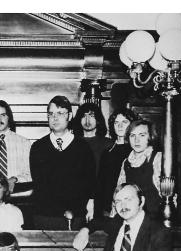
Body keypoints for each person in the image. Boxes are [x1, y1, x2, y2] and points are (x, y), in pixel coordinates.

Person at [29, 95, 96, 230]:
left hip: (75, 218)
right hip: (45, 218)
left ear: (69, 116)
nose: (55, 118)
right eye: (51, 114)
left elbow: (89, 184)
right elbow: (39, 184)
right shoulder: (38, 147)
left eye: (60, 113)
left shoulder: (83, 147)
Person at [0, 100, 32, 193]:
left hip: (19, 196)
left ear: (9, 117)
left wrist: (15, 179)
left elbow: (30, 173)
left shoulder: (24, 143)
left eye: (3, 115)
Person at [94, 108, 138, 218]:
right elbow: (100, 185)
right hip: (108, 209)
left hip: (129, 207)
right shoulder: (107, 151)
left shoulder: (135, 151)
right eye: (116, 122)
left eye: (124, 122)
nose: (120, 126)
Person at [116, 119, 163, 216]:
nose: (136, 140)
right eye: (133, 135)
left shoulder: (157, 158)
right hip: (131, 216)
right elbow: (119, 193)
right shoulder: (126, 162)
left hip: (154, 217)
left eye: (142, 135)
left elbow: (164, 193)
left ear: (150, 137)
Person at [74, 103, 112, 174]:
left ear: (98, 120)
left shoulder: (108, 144)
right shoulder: (72, 143)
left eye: (91, 116)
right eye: (84, 116)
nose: (87, 119)